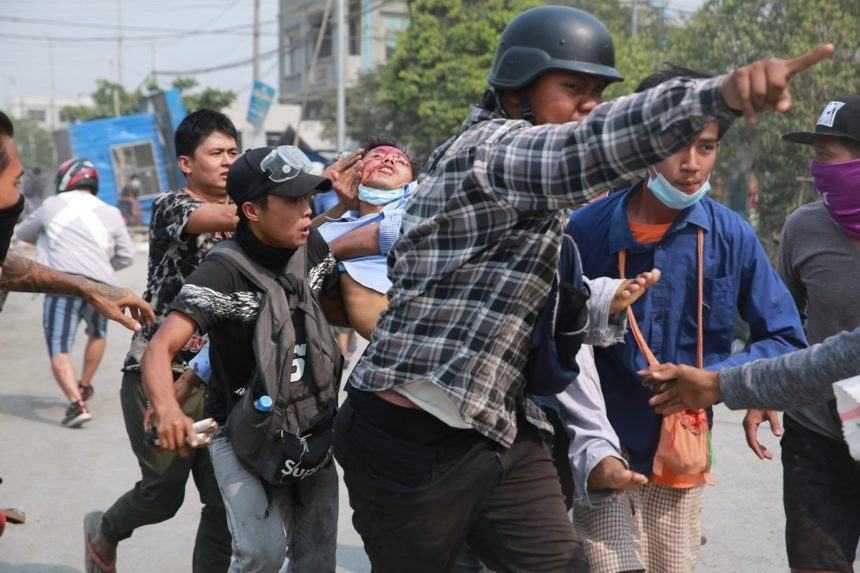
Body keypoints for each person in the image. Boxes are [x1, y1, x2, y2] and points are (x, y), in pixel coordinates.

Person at [331, 3, 831, 570]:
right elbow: (586, 149)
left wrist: (599, 303)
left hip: (501, 428)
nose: (587, 105)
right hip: (410, 432)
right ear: (518, 90)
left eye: (596, 92)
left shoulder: (703, 230)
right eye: (572, 87)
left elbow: (541, 311)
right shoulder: (491, 153)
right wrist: (717, 96)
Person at [566, 64, 808, 573]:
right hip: (599, 445)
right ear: (640, 143)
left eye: (706, 145)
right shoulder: (585, 229)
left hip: (680, 452)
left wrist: (728, 381)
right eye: (677, 144)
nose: (693, 163)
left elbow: (785, 337)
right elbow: (552, 334)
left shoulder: (730, 235)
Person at [649, 95, 860, 573]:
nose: (818, 168)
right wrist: (768, 392)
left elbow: (850, 353)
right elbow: (785, 326)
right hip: (818, 434)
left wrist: (731, 385)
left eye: (829, 156)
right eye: (815, 155)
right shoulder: (804, 228)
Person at [144, 146, 341, 572]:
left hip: (312, 427)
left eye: (308, 199)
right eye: (292, 201)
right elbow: (160, 348)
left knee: (316, 561)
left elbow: (338, 312)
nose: (307, 211)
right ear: (251, 210)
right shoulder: (223, 271)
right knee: (260, 554)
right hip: (241, 433)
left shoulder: (314, 249)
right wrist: (166, 408)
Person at [84, 109, 240, 573]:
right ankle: (105, 530)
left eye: (234, 152)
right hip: (159, 372)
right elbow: (221, 217)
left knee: (222, 503)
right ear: (187, 163)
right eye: (216, 153)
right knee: (163, 495)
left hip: (220, 376)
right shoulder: (173, 205)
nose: (228, 161)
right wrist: (269, 201)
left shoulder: (251, 215)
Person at [0, 110, 152, 330]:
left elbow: (7, 261)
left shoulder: (52, 204)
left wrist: (89, 288)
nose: (19, 197)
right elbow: (125, 256)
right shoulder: (106, 210)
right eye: (16, 183)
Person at [15, 158, 135, 427]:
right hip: (101, 287)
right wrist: (102, 268)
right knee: (98, 333)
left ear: (65, 179)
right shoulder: (111, 212)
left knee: (59, 346)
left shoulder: (51, 205)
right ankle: (84, 385)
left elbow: (23, 233)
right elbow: (126, 257)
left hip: (62, 284)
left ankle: (76, 403)